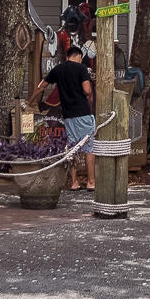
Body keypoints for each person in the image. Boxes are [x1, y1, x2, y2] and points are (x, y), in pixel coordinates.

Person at [31, 47, 95, 191]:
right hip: (82, 112)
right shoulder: (81, 68)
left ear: (67, 57)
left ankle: (74, 182)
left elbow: (41, 87)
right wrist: (88, 89)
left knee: (73, 148)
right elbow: (87, 90)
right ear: (78, 56)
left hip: (67, 114)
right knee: (89, 148)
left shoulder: (58, 69)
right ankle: (91, 182)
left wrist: (29, 102)